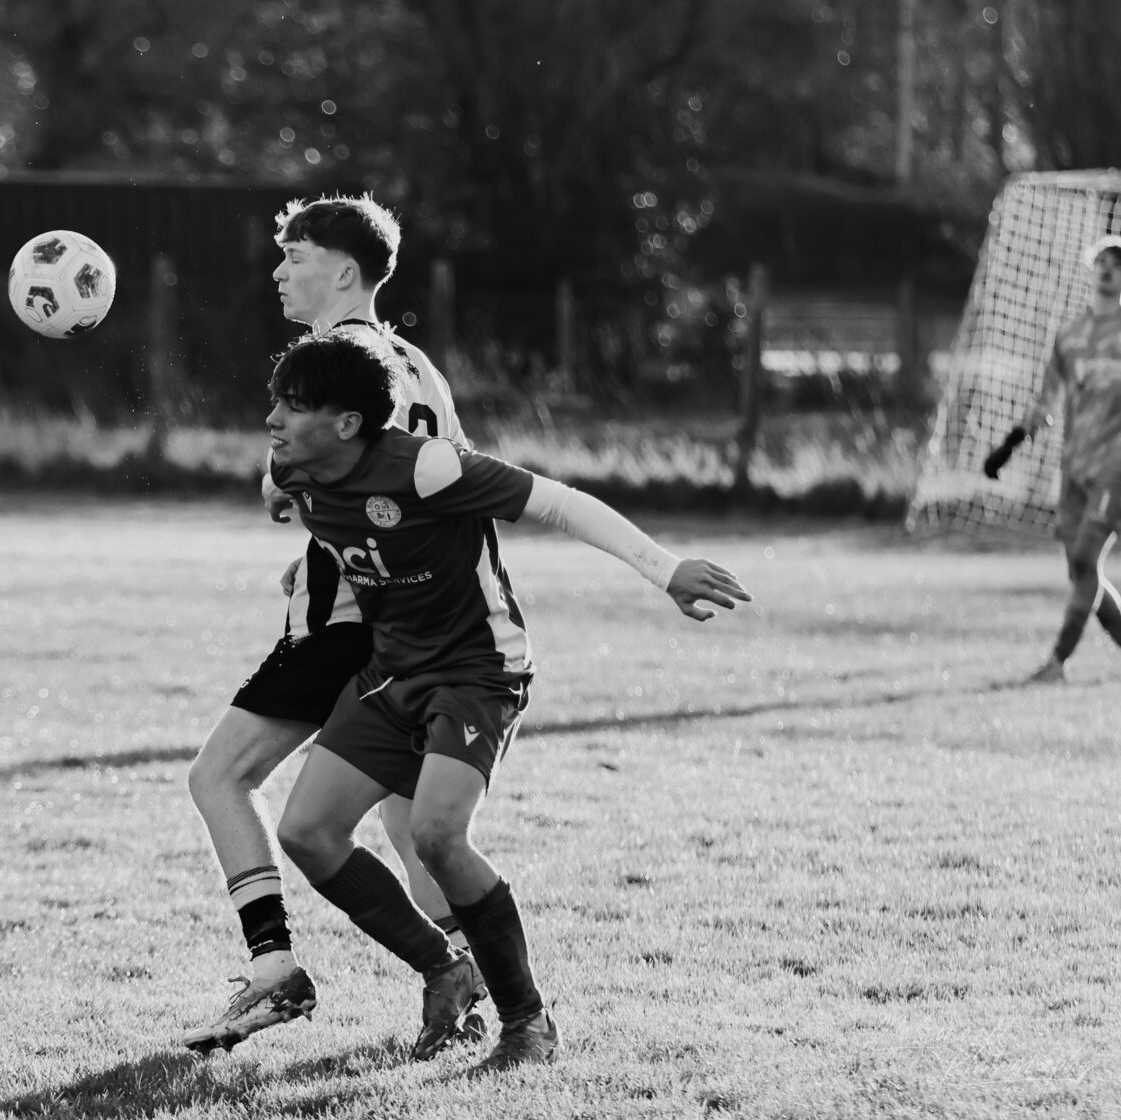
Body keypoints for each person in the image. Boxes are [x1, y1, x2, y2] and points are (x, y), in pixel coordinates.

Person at [263, 326, 750, 1070]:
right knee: (308, 831)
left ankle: (528, 1024)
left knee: (436, 834)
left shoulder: (426, 468)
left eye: (292, 408)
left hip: (478, 670)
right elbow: (338, 537)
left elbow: (561, 503)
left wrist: (664, 568)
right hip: (393, 671)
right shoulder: (293, 471)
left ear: (348, 424)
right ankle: (444, 967)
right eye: (276, 404)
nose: (273, 422)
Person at [181, 196, 486, 1059]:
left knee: (219, 778)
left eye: (295, 255)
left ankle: (275, 969)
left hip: (342, 624)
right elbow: (435, 489)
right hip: (413, 624)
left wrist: (300, 514)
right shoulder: (420, 366)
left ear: (343, 272)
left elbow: (285, 485)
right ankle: (466, 978)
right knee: (402, 817)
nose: (279, 271)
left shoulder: (333, 363)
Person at [984, 236, 1121, 682]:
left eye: (1117, 264)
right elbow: (1047, 400)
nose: (1106, 269)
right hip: (1074, 468)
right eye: (1100, 262)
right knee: (1082, 571)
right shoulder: (1069, 336)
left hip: (1118, 467)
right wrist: (1010, 443)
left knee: (1085, 559)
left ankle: (1056, 663)